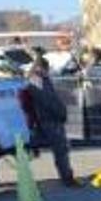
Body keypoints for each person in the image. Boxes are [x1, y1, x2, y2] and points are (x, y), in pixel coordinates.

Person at [26, 58, 80, 187]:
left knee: (61, 150)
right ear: (41, 68)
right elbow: (49, 100)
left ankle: (67, 177)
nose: (48, 72)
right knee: (61, 150)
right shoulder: (37, 81)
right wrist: (61, 113)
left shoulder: (37, 80)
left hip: (48, 119)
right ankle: (68, 179)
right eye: (46, 69)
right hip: (49, 119)